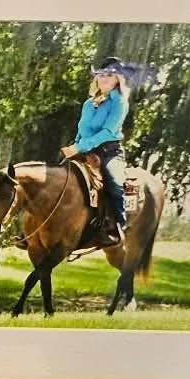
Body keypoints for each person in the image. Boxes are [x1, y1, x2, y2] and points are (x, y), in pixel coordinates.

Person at [64, 59, 132, 247]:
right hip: (85, 149)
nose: (104, 78)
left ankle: (118, 226)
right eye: (101, 74)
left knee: (114, 181)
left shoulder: (119, 102)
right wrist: (76, 145)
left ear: (117, 79)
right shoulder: (88, 103)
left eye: (109, 75)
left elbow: (108, 131)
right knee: (59, 176)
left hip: (109, 151)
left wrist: (81, 147)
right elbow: (82, 129)